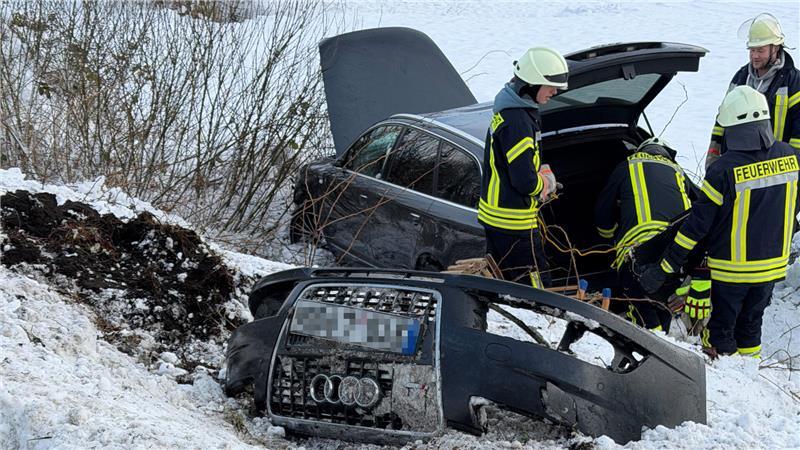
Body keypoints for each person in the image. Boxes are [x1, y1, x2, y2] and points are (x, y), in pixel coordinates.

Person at [641, 85, 800, 358]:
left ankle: (727, 372)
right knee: (751, 327)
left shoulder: (723, 170)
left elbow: (696, 228)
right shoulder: (791, 157)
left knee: (720, 331)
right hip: (772, 268)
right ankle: (750, 373)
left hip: (731, 272)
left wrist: (665, 267)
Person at [477, 47, 568, 288]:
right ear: (533, 83)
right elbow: (524, 181)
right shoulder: (518, 121)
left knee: (506, 284)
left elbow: (516, 161)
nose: (555, 92)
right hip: (513, 222)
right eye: (551, 86)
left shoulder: (511, 110)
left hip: (498, 218)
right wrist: (545, 184)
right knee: (536, 287)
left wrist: (539, 168)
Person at [594, 137, 693, 331]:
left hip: (638, 252)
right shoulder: (678, 171)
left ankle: (652, 339)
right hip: (676, 253)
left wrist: (607, 235)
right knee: (662, 306)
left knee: (642, 316)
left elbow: (603, 211)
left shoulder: (627, 166)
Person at [706, 13, 800, 169]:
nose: (755, 56)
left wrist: (792, 168)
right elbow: (722, 118)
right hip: (738, 168)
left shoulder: (794, 82)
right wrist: (713, 153)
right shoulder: (741, 78)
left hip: (776, 170)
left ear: (775, 48)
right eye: (752, 50)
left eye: (760, 50)